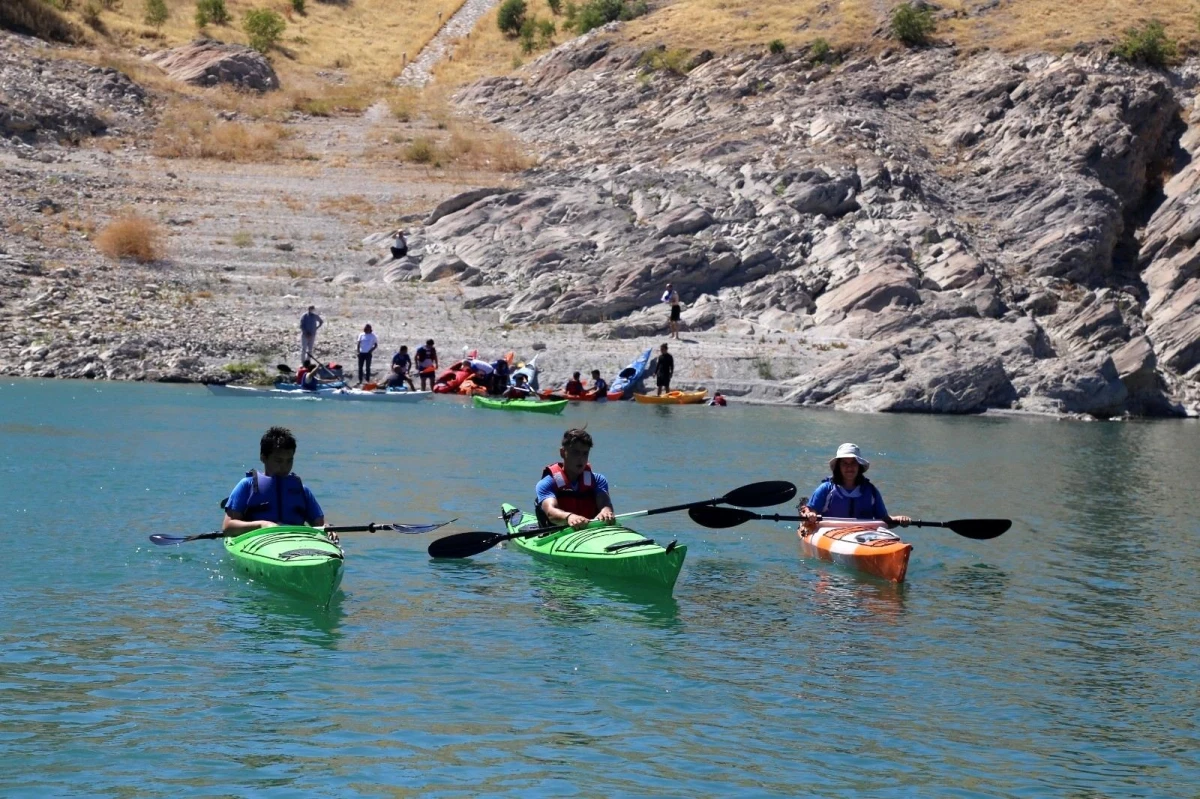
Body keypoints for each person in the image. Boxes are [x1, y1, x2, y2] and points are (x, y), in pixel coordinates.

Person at [221, 426, 337, 543]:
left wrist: (329, 529)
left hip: (296, 542)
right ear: (263, 457)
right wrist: (262, 525)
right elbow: (227, 527)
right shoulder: (247, 486)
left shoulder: (302, 491)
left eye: (289, 460)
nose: (284, 466)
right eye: (278, 461)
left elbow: (320, 524)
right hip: (258, 541)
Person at [798, 443, 911, 528]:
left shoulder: (871, 491)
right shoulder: (826, 489)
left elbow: (884, 520)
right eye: (845, 464)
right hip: (829, 532)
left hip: (863, 534)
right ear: (839, 467)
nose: (849, 467)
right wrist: (810, 514)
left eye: (853, 463)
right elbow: (810, 513)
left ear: (859, 466)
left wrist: (898, 519)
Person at [535, 428, 615, 529]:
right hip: (558, 534)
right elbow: (551, 511)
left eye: (585, 453)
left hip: (592, 530)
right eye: (575, 453)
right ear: (563, 453)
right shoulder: (547, 483)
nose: (581, 458)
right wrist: (569, 517)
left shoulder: (598, 480)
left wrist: (606, 511)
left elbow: (605, 503)